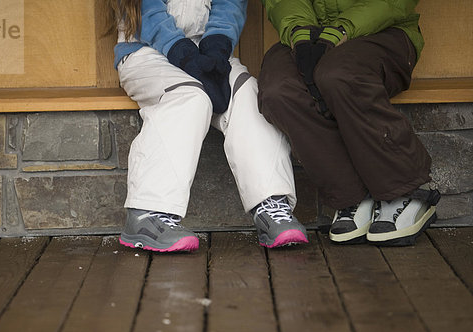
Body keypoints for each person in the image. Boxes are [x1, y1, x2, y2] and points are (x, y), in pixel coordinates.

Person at [106, 0, 308, 252]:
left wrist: (216, 51)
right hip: (146, 53)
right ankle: (148, 214)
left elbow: (229, 6)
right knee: (189, 97)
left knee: (246, 92)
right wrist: (184, 55)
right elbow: (148, 13)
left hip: (205, 50)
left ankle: (272, 205)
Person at [257, 0, 440, 247]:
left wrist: (341, 31)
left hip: (383, 32)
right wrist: (301, 31)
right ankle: (352, 197)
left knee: (339, 75)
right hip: (312, 32)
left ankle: (403, 192)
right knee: (279, 91)